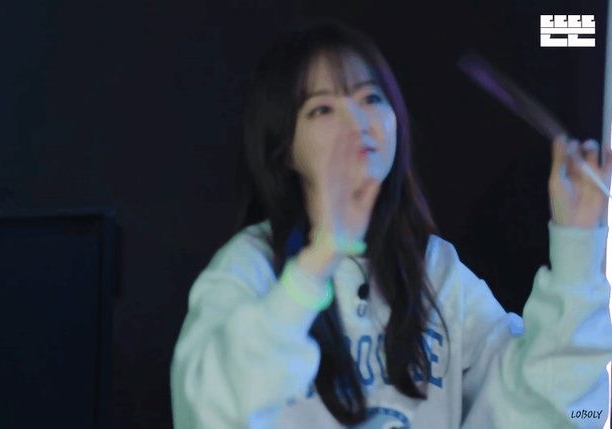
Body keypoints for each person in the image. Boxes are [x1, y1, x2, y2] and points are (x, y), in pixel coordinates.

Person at [170, 18, 612, 428]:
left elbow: (559, 412)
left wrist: (577, 245)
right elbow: (206, 410)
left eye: (370, 98)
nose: (358, 123)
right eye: (323, 109)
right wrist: (318, 260)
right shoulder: (251, 265)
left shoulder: (434, 270)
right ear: (284, 148)